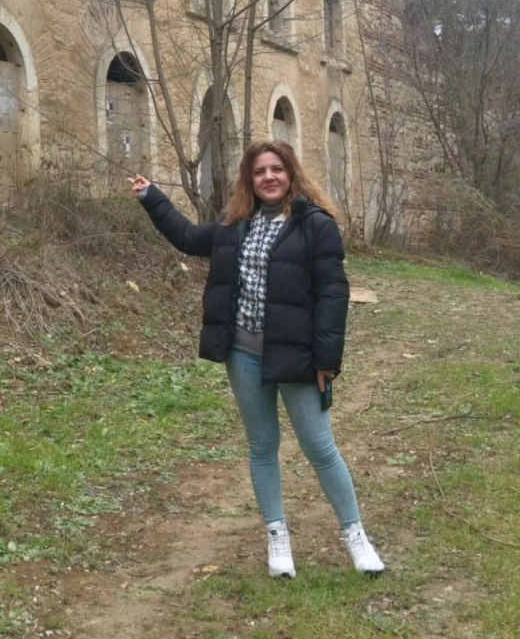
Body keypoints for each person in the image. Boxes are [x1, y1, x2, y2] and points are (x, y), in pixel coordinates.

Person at [131, 141, 384, 578]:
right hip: (243, 355)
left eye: (277, 169)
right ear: (249, 179)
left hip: (299, 358)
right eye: (259, 171)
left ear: (291, 173)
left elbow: (332, 293)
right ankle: (277, 536)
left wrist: (327, 360)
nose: (269, 177)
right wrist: (152, 197)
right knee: (263, 446)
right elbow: (188, 238)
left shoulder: (316, 225)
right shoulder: (235, 225)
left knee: (320, 448)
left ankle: (355, 535)